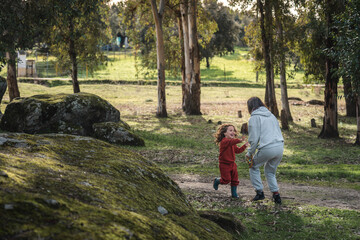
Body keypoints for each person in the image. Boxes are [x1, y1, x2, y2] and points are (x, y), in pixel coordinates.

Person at [245, 97, 284, 204]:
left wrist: (249, 152)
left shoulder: (254, 118)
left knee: (253, 166)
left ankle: (259, 192)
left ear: (250, 107)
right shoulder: (271, 116)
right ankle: (276, 195)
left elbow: (253, 138)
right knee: (270, 172)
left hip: (268, 147)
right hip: (280, 146)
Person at [213, 124, 249, 198]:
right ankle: (217, 180)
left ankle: (234, 194)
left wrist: (245, 145)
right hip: (224, 164)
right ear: (224, 133)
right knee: (226, 180)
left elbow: (238, 151)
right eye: (230, 130)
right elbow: (230, 142)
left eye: (233, 131)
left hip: (232, 164)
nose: (233, 132)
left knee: (235, 179)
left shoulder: (232, 142)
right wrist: (239, 140)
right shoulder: (224, 142)